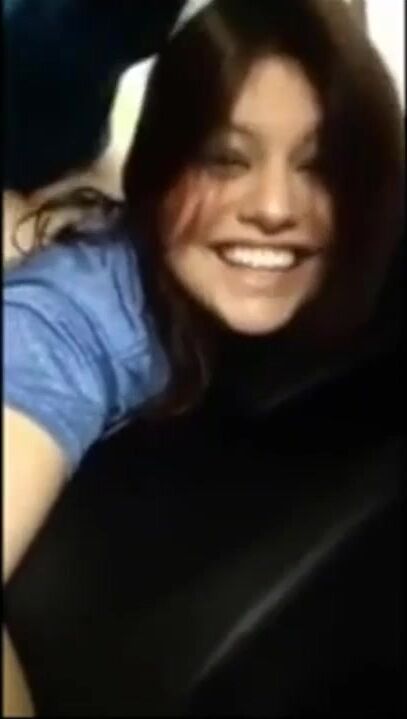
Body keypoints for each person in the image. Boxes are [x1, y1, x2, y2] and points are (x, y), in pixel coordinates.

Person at [4, 0, 404, 715]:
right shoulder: (73, 317)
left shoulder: (362, 249)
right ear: (158, 172)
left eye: (319, 164)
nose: (274, 205)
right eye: (225, 159)